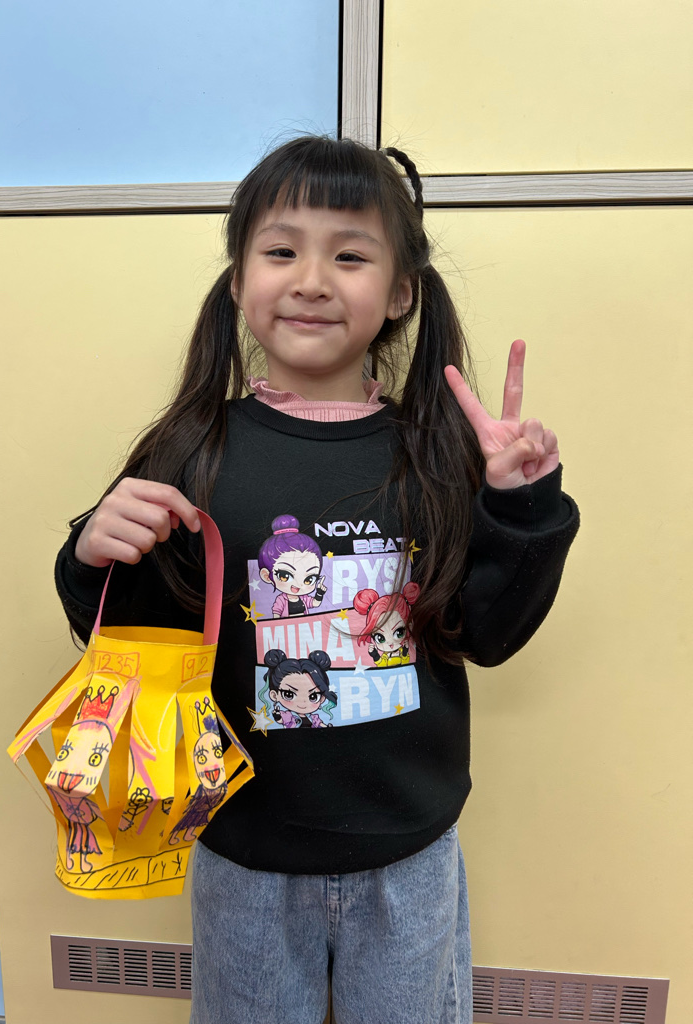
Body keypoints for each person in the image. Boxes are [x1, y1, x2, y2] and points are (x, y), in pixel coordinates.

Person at [54, 135, 579, 1024]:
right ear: (237, 281)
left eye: (350, 255)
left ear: (401, 292)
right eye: (280, 250)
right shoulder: (191, 447)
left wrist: (521, 505)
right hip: (242, 848)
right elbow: (132, 636)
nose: (310, 280)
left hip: (409, 849)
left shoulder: (438, 453)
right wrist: (92, 554)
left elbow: (488, 634)